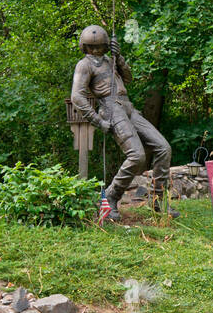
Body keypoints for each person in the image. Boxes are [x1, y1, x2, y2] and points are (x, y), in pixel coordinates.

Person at [70, 24, 172, 219]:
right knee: (137, 156)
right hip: (110, 109)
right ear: (85, 48)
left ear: (106, 46)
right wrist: (97, 120)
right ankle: (110, 196)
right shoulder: (85, 65)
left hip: (127, 107)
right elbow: (77, 96)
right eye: (92, 47)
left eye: (100, 46)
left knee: (163, 147)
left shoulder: (111, 60)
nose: (96, 50)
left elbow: (129, 78)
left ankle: (158, 202)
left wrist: (120, 59)